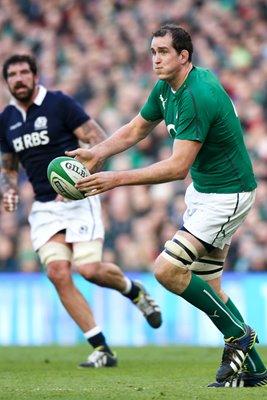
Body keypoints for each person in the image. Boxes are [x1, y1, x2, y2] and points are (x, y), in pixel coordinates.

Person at [66, 24, 267, 387]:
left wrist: (114, 178)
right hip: (206, 191)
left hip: (227, 194)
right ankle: (256, 369)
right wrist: (97, 153)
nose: (155, 58)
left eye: (162, 52)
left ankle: (239, 335)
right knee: (211, 288)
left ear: (183, 56)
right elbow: (135, 129)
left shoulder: (195, 95)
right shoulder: (166, 87)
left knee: (167, 269)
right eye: (153, 51)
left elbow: (177, 168)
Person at [0, 54, 162, 368]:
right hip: (44, 208)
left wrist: (78, 182)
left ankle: (134, 291)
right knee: (57, 272)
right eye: (12, 75)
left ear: (35, 76)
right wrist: (8, 192)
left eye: (24, 72)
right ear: (7, 82)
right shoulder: (5, 120)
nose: (19, 79)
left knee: (89, 271)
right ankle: (102, 349)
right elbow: (8, 166)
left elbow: (98, 140)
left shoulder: (59, 103)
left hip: (78, 199)